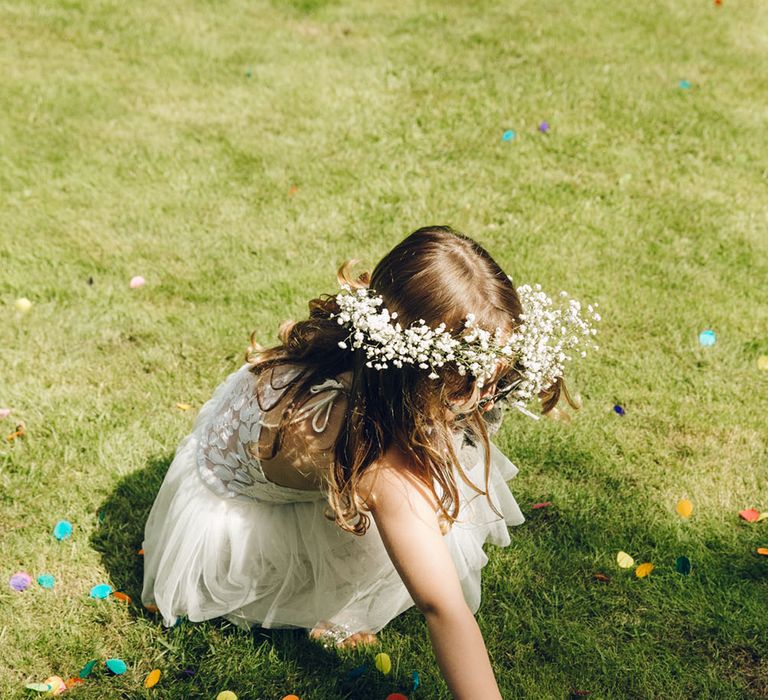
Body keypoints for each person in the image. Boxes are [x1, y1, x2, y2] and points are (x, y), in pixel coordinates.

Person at [141, 225, 598, 699]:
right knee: (416, 513)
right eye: (470, 379)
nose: (486, 397)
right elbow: (443, 606)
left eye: (496, 375)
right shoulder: (377, 460)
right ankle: (317, 602)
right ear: (415, 366)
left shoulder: (370, 366)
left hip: (272, 448)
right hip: (230, 511)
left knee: (423, 494)